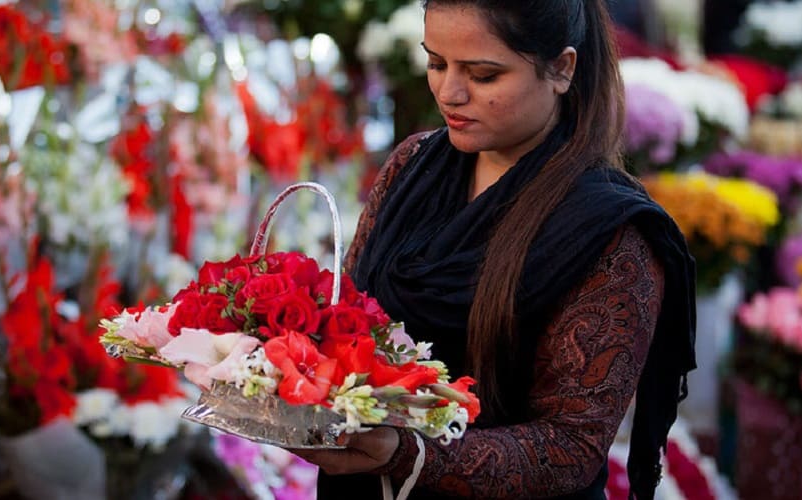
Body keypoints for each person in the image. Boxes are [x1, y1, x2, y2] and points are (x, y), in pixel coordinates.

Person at [292, 1, 697, 498]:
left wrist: (406, 451)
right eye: (436, 63)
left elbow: (569, 448)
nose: (449, 92)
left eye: (483, 75)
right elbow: (348, 323)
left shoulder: (612, 235)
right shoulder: (411, 167)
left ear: (562, 69)